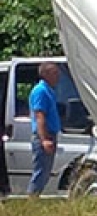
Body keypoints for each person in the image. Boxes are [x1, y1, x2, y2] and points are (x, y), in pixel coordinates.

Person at [27, 62, 61, 198]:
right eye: (54, 73)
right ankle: (32, 201)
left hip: (50, 134)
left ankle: (35, 197)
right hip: (44, 136)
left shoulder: (49, 90)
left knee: (45, 172)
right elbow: (40, 115)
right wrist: (45, 140)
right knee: (40, 171)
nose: (58, 76)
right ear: (45, 74)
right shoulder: (41, 91)